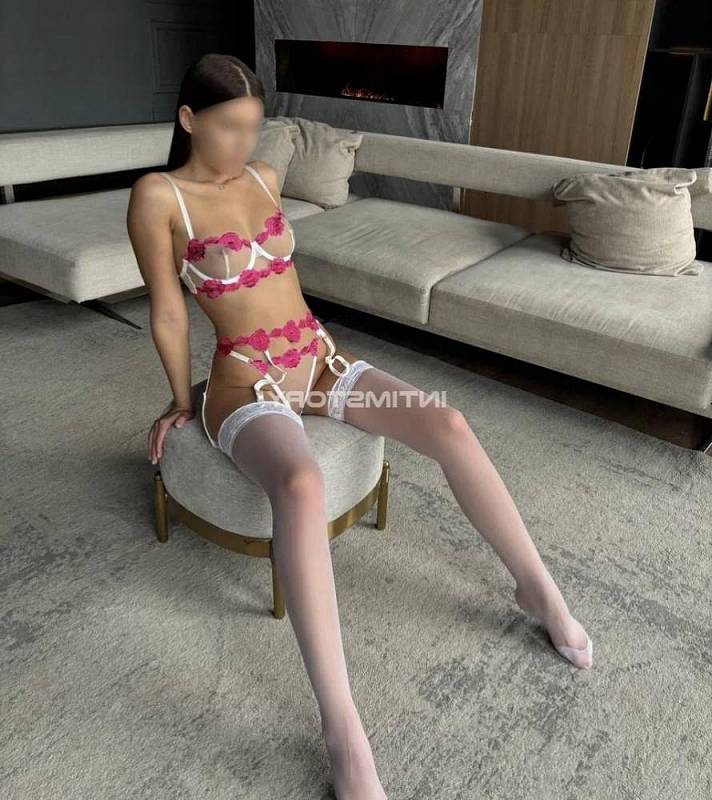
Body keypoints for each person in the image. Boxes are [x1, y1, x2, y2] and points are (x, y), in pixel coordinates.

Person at [127, 53, 592, 800]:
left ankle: (537, 590)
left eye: (254, 127)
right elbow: (170, 312)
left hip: (319, 360)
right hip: (245, 384)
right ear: (188, 119)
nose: (244, 143)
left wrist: (325, 364)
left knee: (447, 422)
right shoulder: (160, 196)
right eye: (229, 127)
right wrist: (180, 400)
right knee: (302, 483)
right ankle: (342, 728)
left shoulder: (262, 178)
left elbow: (286, 283)